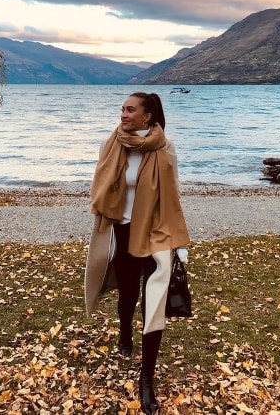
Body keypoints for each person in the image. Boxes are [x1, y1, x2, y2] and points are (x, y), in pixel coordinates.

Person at [84, 91, 190, 415]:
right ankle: (124, 330)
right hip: (122, 228)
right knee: (128, 293)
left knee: (153, 301)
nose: (123, 115)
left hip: (154, 230)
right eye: (122, 109)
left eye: (130, 110)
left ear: (147, 116)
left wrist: (178, 246)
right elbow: (101, 185)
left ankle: (147, 379)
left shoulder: (164, 149)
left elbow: (171, 197)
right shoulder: (112, 143)